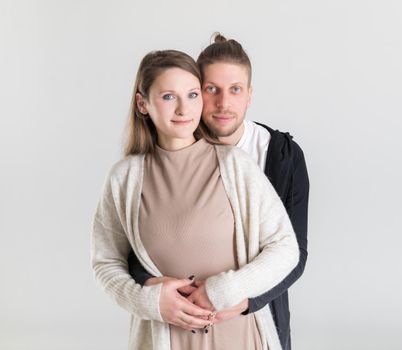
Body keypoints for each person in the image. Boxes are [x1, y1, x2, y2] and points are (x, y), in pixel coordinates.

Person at [91, 49, 299, 350]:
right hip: (165, 338)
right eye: (168, 97)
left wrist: (225, 290)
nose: (182, 109)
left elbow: (286, 249)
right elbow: (105, 263)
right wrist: (149, 301)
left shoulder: (235, 165)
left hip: (237, 335)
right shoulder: (124, 178)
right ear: (142, 103)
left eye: (191, 95)